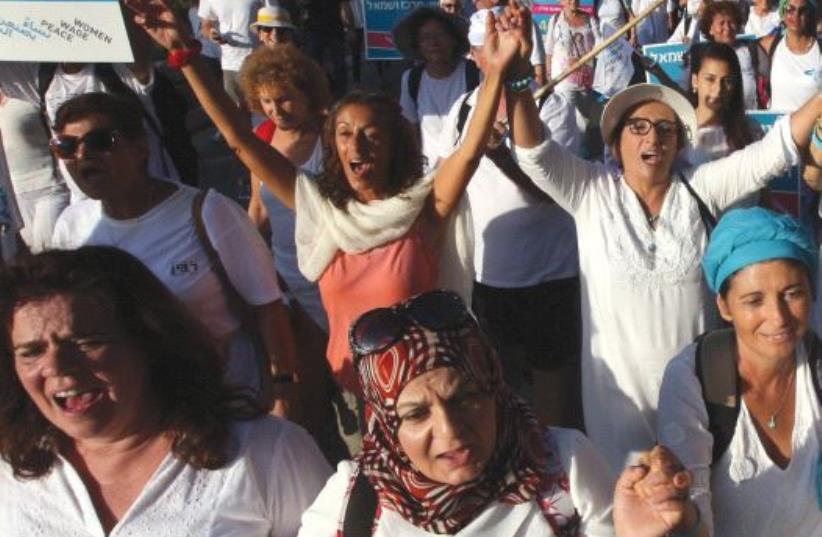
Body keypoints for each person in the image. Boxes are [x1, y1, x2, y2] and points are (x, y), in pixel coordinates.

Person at [125, 0, 520, 404]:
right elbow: (240, 142)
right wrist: (184, 53)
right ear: (333, 146)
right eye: (345, 133)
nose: (357, 145)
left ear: (395, 146)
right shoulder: (320, 206)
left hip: (423, 397)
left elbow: (469, 150)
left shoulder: (423, 209)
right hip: (355, 390)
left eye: (371, 134)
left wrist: (497, 71)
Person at [505, 0, 822, 471]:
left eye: (665, 129)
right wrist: (515, 75)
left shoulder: (702, 187)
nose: (652, 138)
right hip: (615, 412)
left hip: (701, 401)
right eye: (638, 127)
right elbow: (533, 152)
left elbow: (774, 151)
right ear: (616, 140)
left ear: (679, 141)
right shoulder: (591, 191)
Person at [297, 290, 706, 537]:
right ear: (387, 427)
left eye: (464, 398)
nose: (450, 430)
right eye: (417, 414)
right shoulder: (353, 508)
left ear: (495, 388)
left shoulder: (562, 468)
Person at [0, 246, 331, 536]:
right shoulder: (10, 473)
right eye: (31, 352)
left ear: (149, 342)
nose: (57, 367)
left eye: (87, 342)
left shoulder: (267, 453)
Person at [49, 93, 295, 412]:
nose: (84, 155)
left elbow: (268, 308)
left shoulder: (208, 212)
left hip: (228, 404)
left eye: (100, 141)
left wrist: (283, 395)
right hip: (136, 417)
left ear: (140, 148)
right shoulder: (72, 227)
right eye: (66, 147)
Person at [437, 7, 583, 427]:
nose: (498, 55)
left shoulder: (552, 107)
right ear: (476, 55)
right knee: (494, 385)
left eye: (507, 47)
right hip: (487, 277)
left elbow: (556, 191)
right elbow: (446, 181)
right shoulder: (463, 110)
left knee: (552, 389)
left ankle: (556, 477)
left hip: (549, 275)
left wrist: (501, 154)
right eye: (490, 47)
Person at [657, 207, 822, 536]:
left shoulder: (815, 368)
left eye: (792, 294)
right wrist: (679, 514)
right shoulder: (695, 379)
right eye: (754, 300)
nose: (777, 318)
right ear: (724, 306)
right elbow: (693, 510)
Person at [395, 7, 477, 173]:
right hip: (430, 173)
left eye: (440, 35)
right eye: (425, 37)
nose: (433, 43)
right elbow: (410, 130)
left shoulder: (474, 74)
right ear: (418, 45)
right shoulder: (412, 79)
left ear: (454, 40)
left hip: (472, 170)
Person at [0, 96, 69, 252]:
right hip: (16, 197)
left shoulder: (24, 100)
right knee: (29, 257)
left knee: (48, 252)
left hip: (49, 188)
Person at [684, 41, 759, 168]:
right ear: (695, 81)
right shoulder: (678, 129)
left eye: (727, 81)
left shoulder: (750, 130)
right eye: (710, 79)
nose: (718, 89)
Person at [698, 1, 761, 110]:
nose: (727, 27)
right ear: (710, 29)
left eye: (731, 22)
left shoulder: (750, 49)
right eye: (721, 23)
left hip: (751, 117)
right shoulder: (703, 56)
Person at [198, 0, 262, 108]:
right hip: (230, 65)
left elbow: (274, 17)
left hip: (260, 61)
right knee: (239, 113)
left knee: (268, 108)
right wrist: (212, 34)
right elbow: (206, 26)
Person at [761, 0, 822, 112]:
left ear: (810, 14)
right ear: (783, 13)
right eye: (790, 9)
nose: (796, 15)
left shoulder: (819, 50)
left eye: (802, 10)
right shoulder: (770, 45)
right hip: (777, 127)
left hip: (812, 127)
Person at [544, 0, 602, 95]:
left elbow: (599, 45)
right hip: (562, 84)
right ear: (561, 2)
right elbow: (549, 51)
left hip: (586, 83)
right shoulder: (555, 20)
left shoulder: (590, 19)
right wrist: (549, 76)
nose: (574, 1)